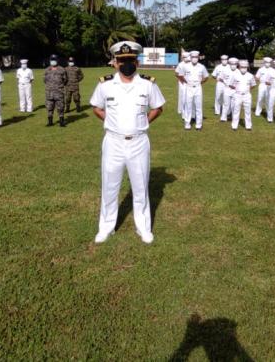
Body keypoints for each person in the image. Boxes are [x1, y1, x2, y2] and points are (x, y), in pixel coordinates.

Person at [89, 41, 165, 244]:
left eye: (130, 60)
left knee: (140, 187)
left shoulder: (148, 84)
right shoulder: (105, 84)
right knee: (109, 186)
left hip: (139, 142)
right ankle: (106, 227)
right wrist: (111, 122)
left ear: (137, 62)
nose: (126, 64)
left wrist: (143, 123)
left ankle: (143, 227)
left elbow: (158, 107)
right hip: (113, 142)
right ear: (115, 62)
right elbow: (96, 107)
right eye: (122, 60)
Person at [178, 50, 209, 130]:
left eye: (196, 57)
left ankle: (198, 125)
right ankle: (187, 124)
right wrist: (186, 82)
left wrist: (200, 83)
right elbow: (180, 75)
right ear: (190, 57)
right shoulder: (186, 66)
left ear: (198, 58)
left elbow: (206, 77)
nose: (194, 59)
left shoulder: (202, 67)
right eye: (193, 57)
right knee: (188, 106)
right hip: (189, 87)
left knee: (198, 107)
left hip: (198, 88)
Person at [228, 59, 257, 130]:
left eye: (245, 67)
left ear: (247, 67)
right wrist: (237, 89)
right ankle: (234, 125)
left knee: (247, 111)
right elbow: (231, 85)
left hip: (247, 95)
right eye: (242, 67)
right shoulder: (235, 75)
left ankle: (248, 126)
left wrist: (247, 90)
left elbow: (253, 85)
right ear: (239, 67)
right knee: (236, 110)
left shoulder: (250, 76)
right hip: (237, 95)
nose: (244, 69)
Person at [44, 54, 67, 127]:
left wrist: (59, 86)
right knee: (49, 107)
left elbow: (65, 80)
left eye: (54, 60)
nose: (53, 61)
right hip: (49, 92)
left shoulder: (62, 69)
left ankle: (61, 122)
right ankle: (50, 122)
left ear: (57, 60)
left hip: (59, 92)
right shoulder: (47, 70)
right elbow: (44, 80)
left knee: (61, 107)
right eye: (52, 60)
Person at [219, 57, 238, 122]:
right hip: (227, 89)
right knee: (226, 104)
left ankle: (233, 117)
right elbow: (220, 78)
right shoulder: (225, 70)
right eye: (232, 64)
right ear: (229, 64)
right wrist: (226, 83)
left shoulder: (238, 71)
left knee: (234, 104)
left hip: (235, 90)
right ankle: (223, 117)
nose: (233, 65)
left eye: (235, 64)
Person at [175, 52, 191, 116]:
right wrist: (181, 80)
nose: (185, 58)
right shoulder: (180, 64)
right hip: (182, 82)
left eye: (185, 57)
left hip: (190, 82)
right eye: (184, 57)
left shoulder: (191, 64)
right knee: (182, 96)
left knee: (189, 96)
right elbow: (176, 73)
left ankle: (189, 110)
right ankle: (180, 110)